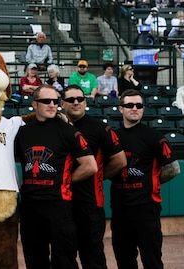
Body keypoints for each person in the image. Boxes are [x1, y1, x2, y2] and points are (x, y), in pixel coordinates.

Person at [15, 85, 98, 269]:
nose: (52, 105)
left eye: (54, 101)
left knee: (64, 261)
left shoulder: (68, 131)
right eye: (46, 101)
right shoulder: (23, 133)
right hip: (30, 207)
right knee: (35, 261)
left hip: (58, 206)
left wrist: (66, 180)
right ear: (34, 104)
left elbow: (90, 166)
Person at [110, 89, 180, 268]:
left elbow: (173, 169)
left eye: (139, 105)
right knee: (124, 260)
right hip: (120, 208)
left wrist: (151, 181)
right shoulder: (112, 137)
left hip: (146, 208)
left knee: (152, 260)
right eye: (129, 105)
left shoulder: (154, 137)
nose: (134, 108)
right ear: (120, 109)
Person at [61, 84, 127, 269]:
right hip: (61, 204)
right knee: (64, 257)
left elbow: (120, 161)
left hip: (90, 204)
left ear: (86, 101)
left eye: (80, 99)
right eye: (71, 100)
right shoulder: (57, 127)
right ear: (62, 103)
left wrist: (97, 176)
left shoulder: (99, 128)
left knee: (92, 258)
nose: (76, 103)